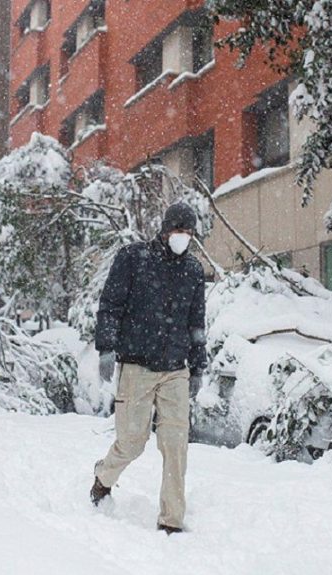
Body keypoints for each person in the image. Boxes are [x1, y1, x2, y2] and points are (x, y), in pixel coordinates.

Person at [90, 202, 207, 534]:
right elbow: (110, 304)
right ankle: (103, 477)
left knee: (175, 445)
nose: (182, 238)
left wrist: (197, 367)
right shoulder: (134, 258)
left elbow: (197, 323)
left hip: (175, 370)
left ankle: (171, 520)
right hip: (137, 366)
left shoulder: (194, 271)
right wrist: (106, 348)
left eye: (188, 233)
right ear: (165, 230)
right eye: (177, 231)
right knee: (132, 441)